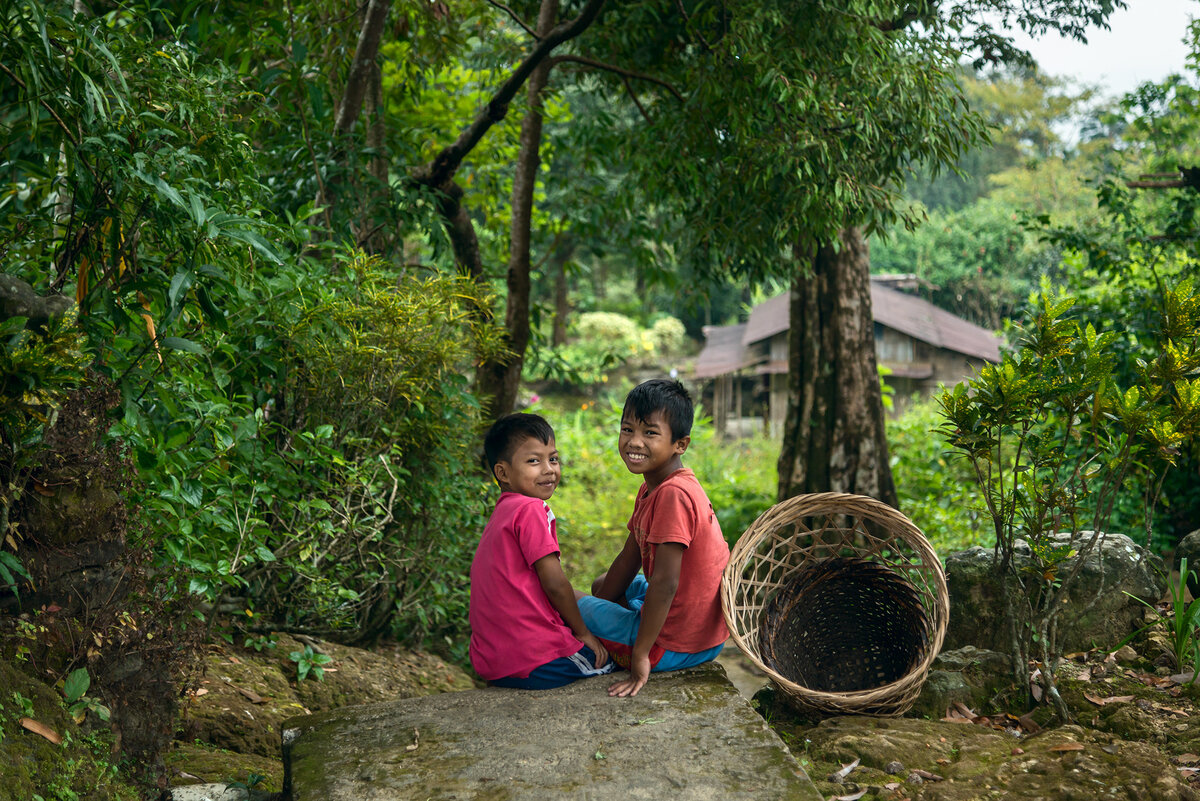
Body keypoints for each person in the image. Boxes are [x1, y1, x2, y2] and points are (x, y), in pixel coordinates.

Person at [576, 379, 730, 697]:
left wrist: (641, 655)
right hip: (700, 630)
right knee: (600, 586)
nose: (634, 442)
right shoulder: (653, 486)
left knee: (571, 604)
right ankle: (625, 627)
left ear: (680, 444)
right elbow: (629, 557)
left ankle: (634, 640)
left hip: (679, 643)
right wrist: (601, 604)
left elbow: (665, 584)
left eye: (650, 433)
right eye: (627, 429)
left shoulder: (674, 494)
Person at [469, 413, 613, 689]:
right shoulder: (531, 509)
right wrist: (582, 633)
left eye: (553, 458)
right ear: (503, 473)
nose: (548, 469)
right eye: (534, 461)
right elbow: (555, 584)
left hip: (495, 663)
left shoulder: (503, 512)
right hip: (535, 658)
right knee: (610, 661)